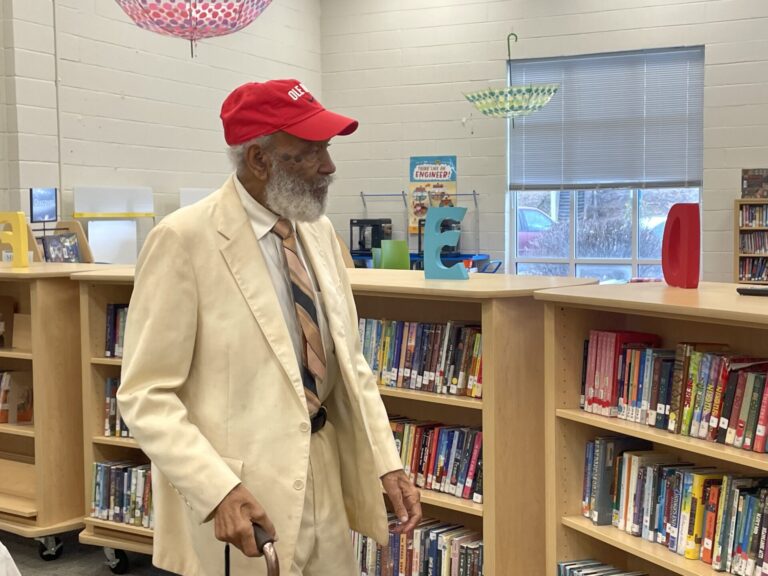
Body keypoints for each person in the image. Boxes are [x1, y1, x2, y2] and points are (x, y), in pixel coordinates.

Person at [117, 79, 421, 576]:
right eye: (311, 151)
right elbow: (145, 394)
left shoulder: (318, 232)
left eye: (326, 148)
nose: (329, 166)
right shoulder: (183, 240)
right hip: (243, 495)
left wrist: (386, 460)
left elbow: (350, 361)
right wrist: (216, 490)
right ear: (259, 159)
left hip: (325, 475)